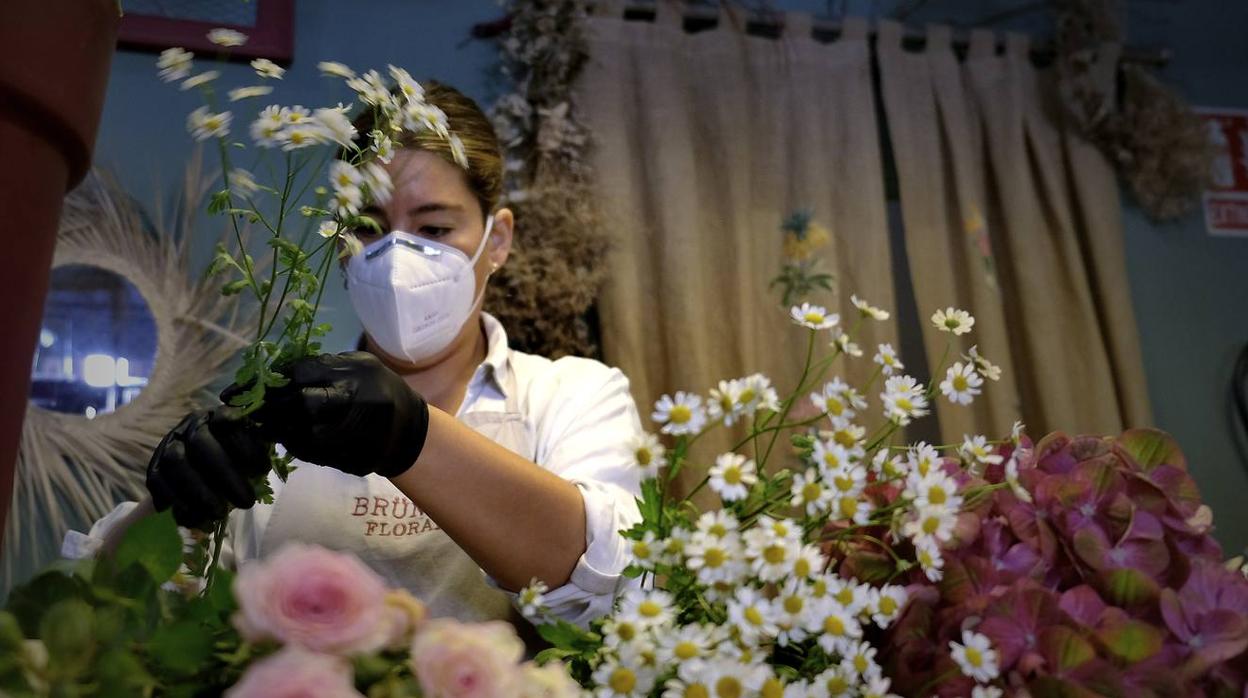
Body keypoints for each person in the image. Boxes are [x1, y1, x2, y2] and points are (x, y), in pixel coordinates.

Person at [64, 82, 643, 630]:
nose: (396, 258)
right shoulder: (284, 412)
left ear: (497, 240)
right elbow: (103, 609)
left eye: (434, 228)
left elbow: (614, 587)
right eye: (368, 227)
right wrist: (174, 505)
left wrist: (412, 436)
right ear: (340, 247)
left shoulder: (570, 396)